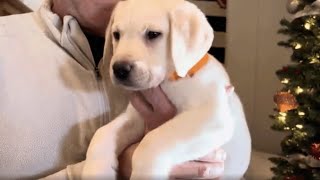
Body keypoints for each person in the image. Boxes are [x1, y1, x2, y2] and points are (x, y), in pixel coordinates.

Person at [0, 0, 236, 179]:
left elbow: (229, 161)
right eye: (117, 36)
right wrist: (112, 169)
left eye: (152, 35)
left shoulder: (176, 46)